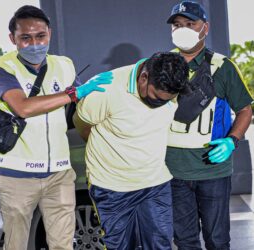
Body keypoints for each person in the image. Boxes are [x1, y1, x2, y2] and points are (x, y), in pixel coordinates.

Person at [0, 5, 112, 250]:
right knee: (16, 245)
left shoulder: (64, 65)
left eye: (40, 36)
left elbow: (81, 103)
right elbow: (22, 107)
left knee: (62, 245)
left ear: (50, 34)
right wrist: (73, 93)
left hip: (59, 173)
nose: (35, 43)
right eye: (26, 38)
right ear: (13, 38)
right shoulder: (2, 68)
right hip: (17, 175)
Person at [73, 52, 189, 250]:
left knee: (160, 244)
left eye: (166, 100)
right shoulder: (107, 88)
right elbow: (81, 122)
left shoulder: (172, 85)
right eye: (156, 98)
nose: (160, 104)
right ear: (144, 78)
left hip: (155, 183)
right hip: (111, 186)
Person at [165, 2, 254, 249]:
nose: (183, 30)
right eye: (177, 25)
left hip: (213, 169)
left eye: (190, 24)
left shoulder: (222, 67)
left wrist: (232, 140)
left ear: (205, 28)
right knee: (184, 241)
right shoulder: (162, 65)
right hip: (172, 170)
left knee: (217, 240)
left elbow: (245, 110)